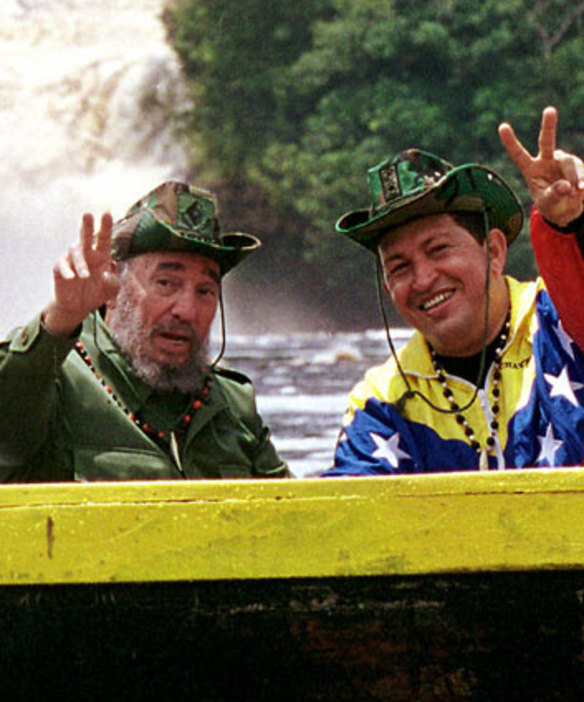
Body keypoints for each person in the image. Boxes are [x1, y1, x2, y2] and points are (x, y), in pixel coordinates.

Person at [324, 107, 584, 476]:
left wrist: (573, 224)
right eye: (400, 267)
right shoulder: (380, 402)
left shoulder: (564, 320)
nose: (423, 279)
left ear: (493, 250)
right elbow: (350, 509)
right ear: (387, 287)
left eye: (438, 250)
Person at [0, 181, 290, 481]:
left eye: (205, 291)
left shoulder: (233, 405)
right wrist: (62, 318)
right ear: (113, 290)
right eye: (166, 283)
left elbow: (294, 514)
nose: (187, 310)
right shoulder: (53, 379)